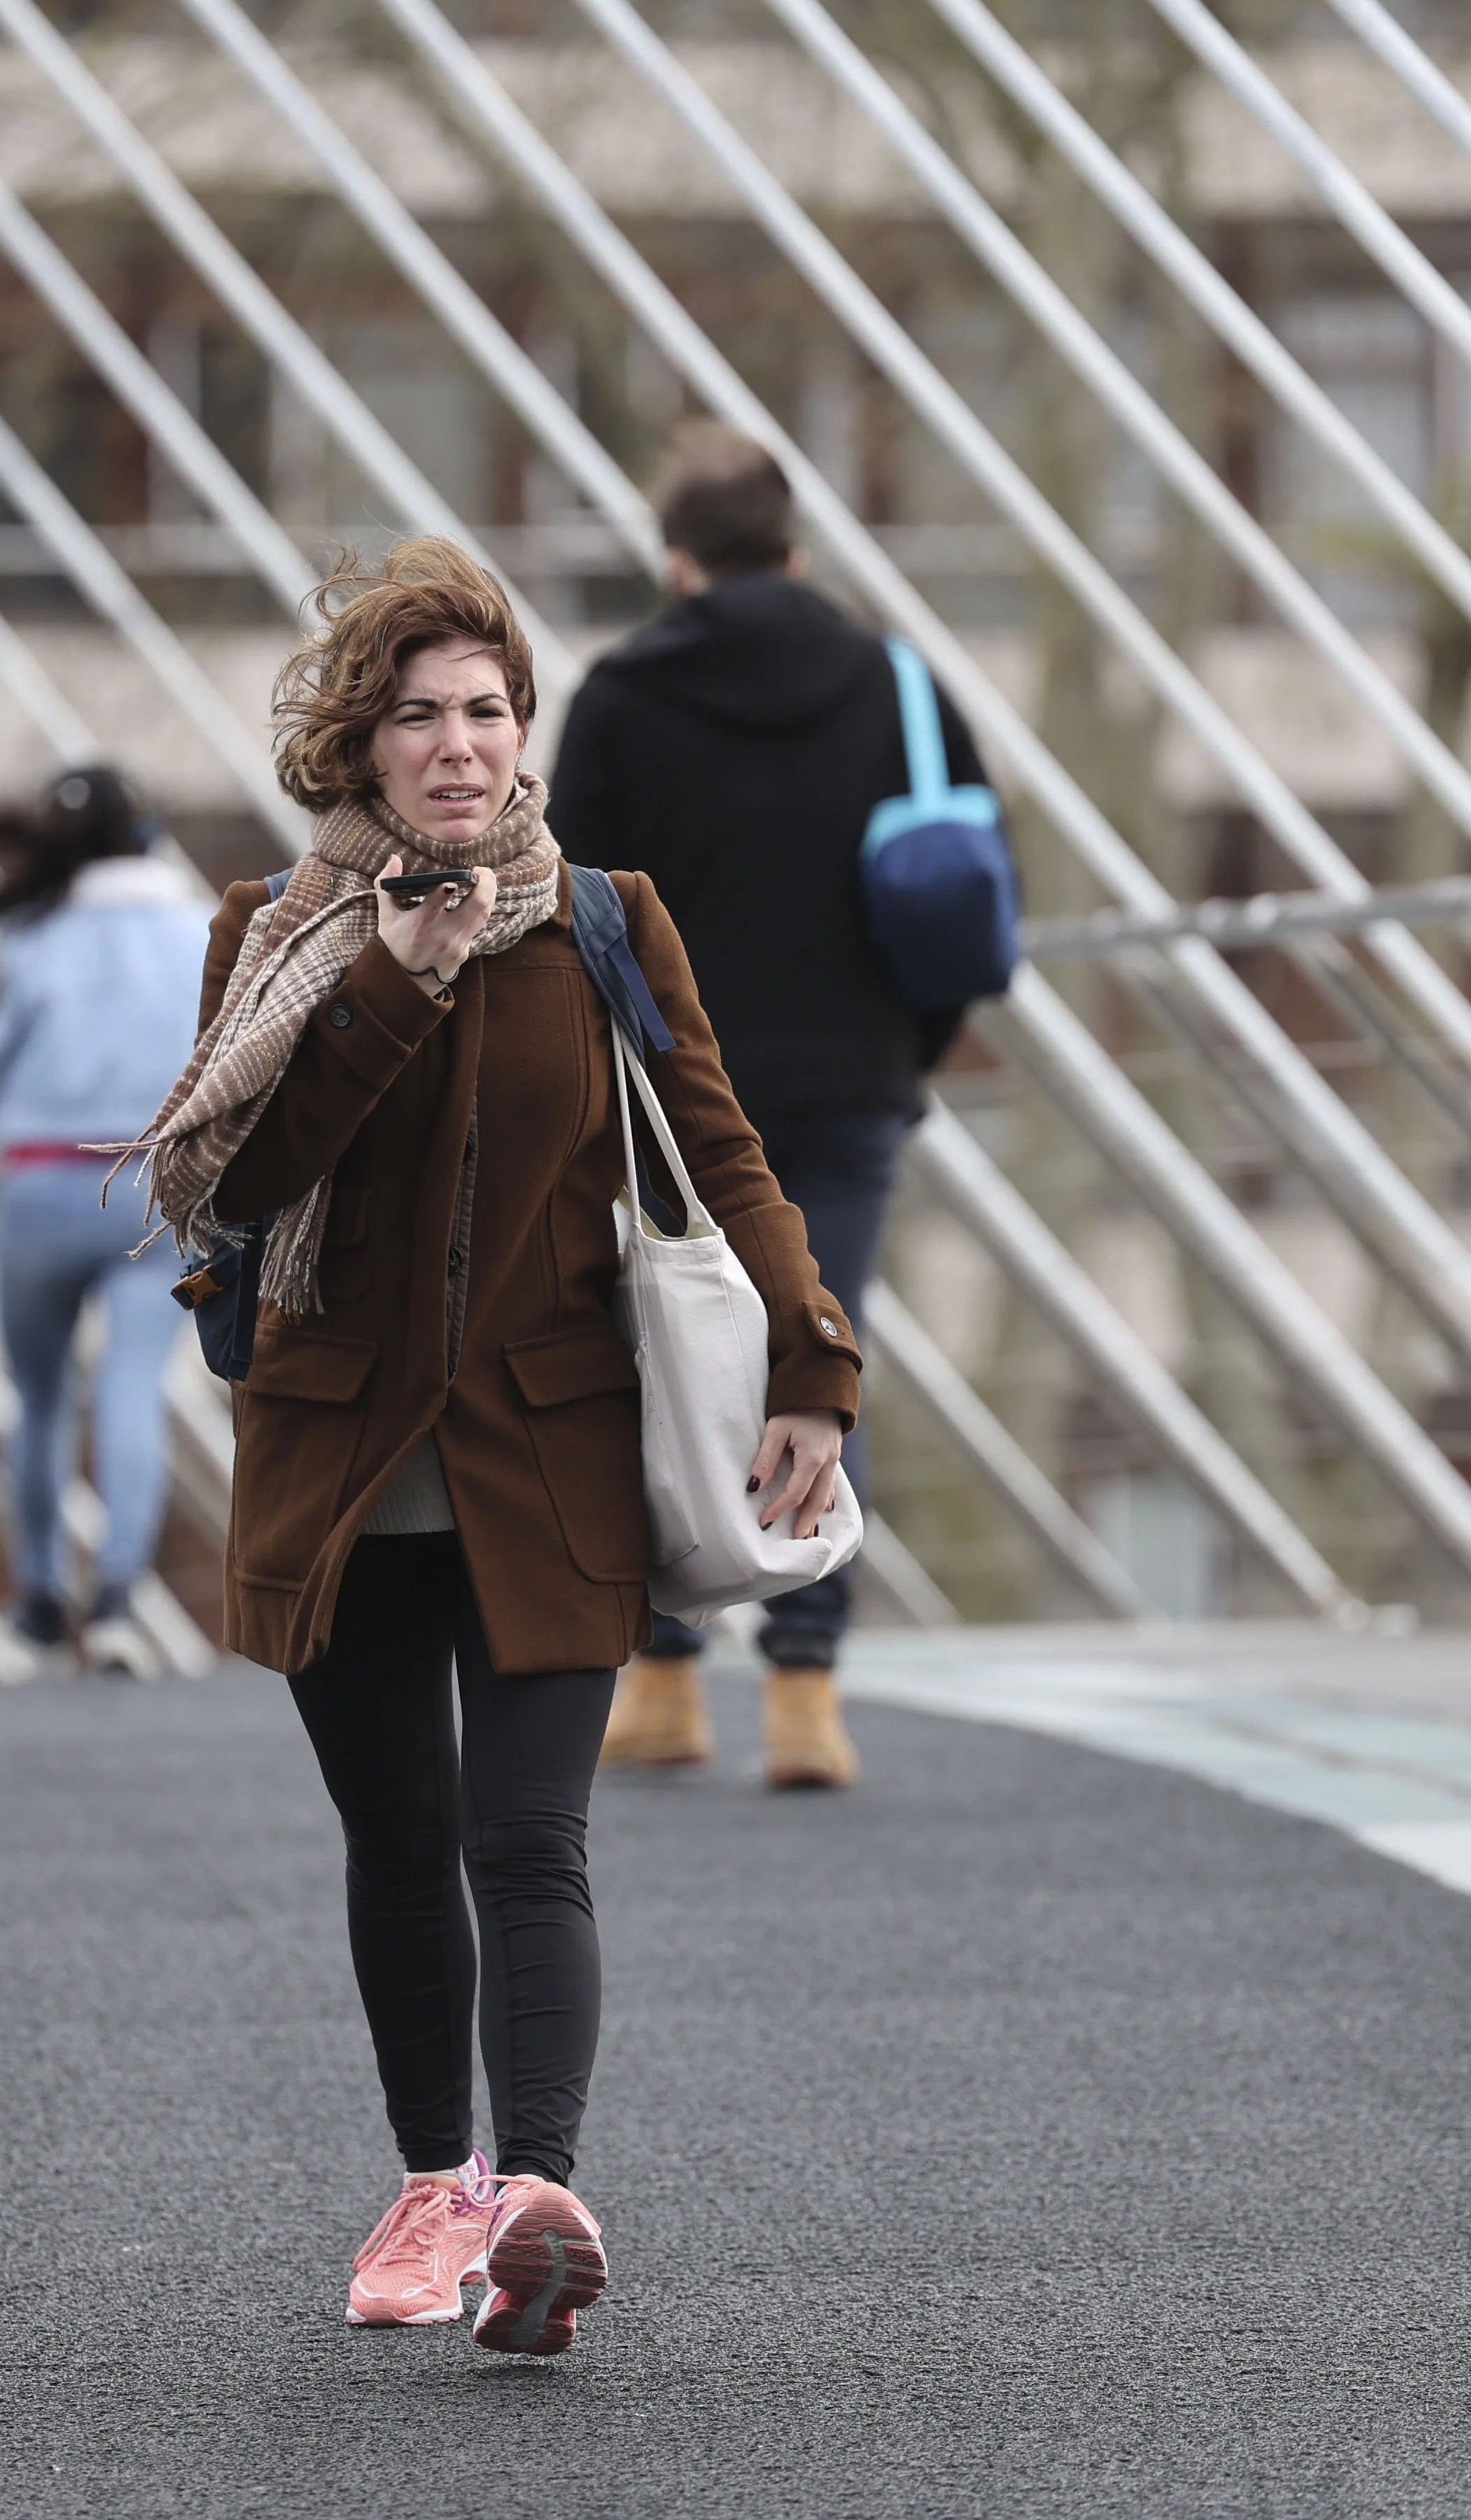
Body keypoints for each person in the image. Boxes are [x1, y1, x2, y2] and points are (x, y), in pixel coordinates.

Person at [125, 539, 858, 2353]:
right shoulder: (275, 929)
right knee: (398, 1831)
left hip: (552, 1448)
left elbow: (727, 1152)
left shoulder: (606, 916)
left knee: (532, 1835)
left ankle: (536, 2196)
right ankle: (433, 2180)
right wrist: (390, 979)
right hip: (343, 1455)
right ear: (358, 750)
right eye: (420, 717)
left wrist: (813, 1369)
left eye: (489, 710)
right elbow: (239, 1177)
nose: (460, 745)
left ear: (526, 732)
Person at [552, 422, 987, 1792]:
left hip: (679, 1094)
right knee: (814, 1354)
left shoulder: (620, 694)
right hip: (854, 1079)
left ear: (675, 557)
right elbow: (965, 888)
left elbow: (577, 906)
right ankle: (806, 1691)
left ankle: (668, 1675)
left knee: (666, 1360)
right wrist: (902, 1048)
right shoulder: (897, 681)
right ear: (797, 550)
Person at [0, 764, 210, 1673]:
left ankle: (37, 1604)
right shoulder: (195, 933)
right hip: (152, 1187)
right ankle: (119, 1602)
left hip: (39, 1184)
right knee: (134, 1388)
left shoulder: (25, 932)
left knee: (42, 1401)